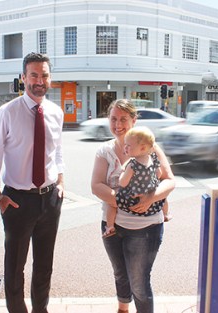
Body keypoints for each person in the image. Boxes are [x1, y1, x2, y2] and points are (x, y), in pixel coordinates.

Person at [0, 52, 64, 313]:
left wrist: (60, 182)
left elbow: (57, 151)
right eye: (34, 75)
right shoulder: (7, 112)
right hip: (17, 200)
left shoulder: (55, 112)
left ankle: (41, 309)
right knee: (15, 266)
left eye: (44, 75)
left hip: (50, 199)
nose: (39, 80)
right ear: (23, 78)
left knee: (45, 265)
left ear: (50, 78)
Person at [91, 99, 175, 313]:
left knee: (139, 282)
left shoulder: (149, 147)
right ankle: (123, 309)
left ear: (134, 121)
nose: (118, 124)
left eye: (123, 119)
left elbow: (169, 180)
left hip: (145, 229)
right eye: (113, 119)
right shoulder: (105, 151)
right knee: (120, 273)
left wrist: (150, 197)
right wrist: (123, 202)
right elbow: (96, 185)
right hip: (112, 225)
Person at [103, 126, 171, 238]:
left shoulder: (133, 165)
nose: (125, 148)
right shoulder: (153, 158)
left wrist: (121, 175)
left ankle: (110, 226)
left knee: (112, 204)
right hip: (152, 202)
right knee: (164, 197)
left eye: (128, 146)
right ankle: (166, 213)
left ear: (143, 148)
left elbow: (123, 183)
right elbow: (158, 174)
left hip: (134, 200)